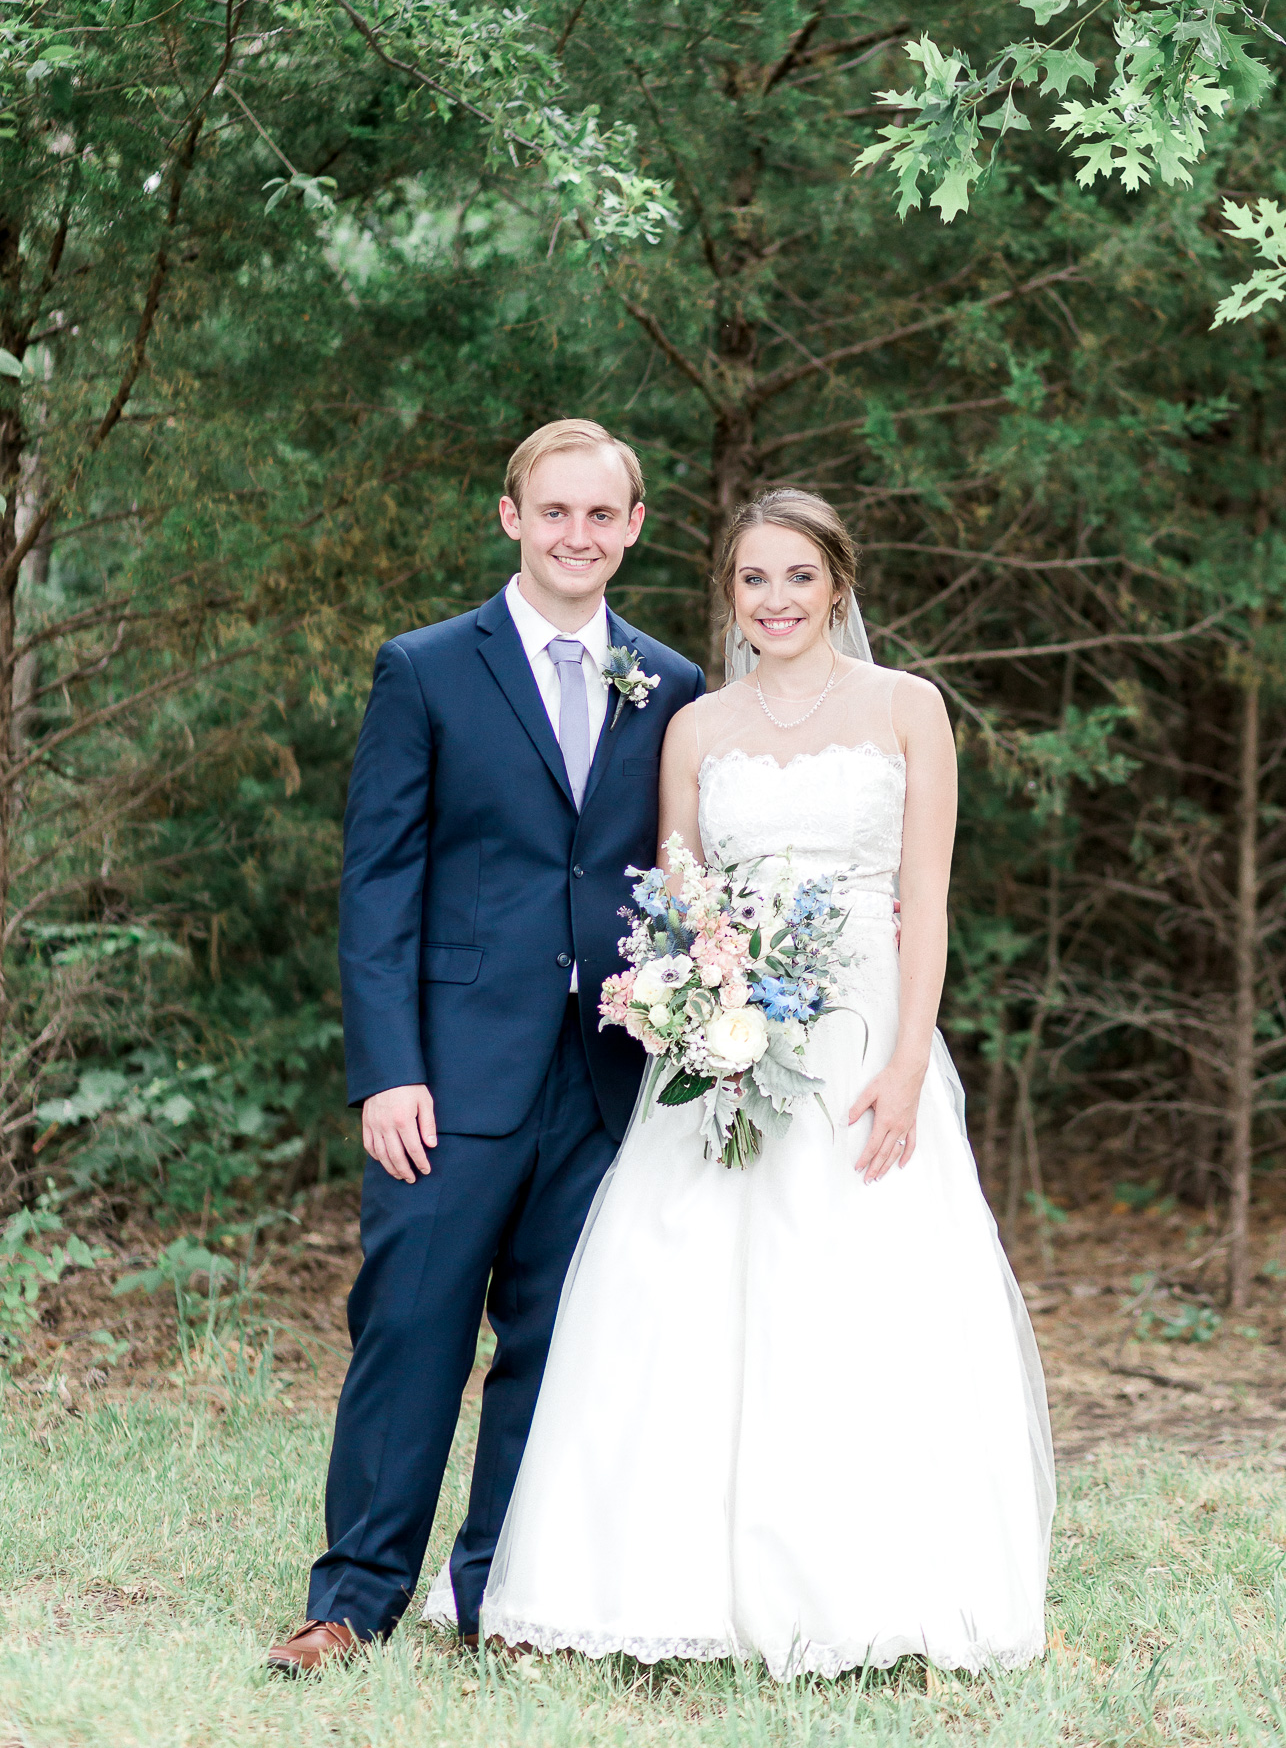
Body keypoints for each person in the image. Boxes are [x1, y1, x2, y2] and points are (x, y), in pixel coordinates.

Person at [437, 487, 1054, 1678]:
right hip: (721, 1046)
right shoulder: (696, 728)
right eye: (751, 580)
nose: (774, 601)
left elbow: (923, 901)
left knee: (860, 1298)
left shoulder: (907, 710)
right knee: (682, 1298)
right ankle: (661, 1584)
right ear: (729, 593)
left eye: (798, 578)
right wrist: (693, 1009)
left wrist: (905, 1058)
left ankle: (873, 1585)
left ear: (839, 585)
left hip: (864, 1037)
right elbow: (673, 897)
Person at [268, 419, 705, 1674]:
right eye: (552, 511)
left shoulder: (667, 686)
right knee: (409, 1329)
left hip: (605, 1072)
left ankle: (497, 1594)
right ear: (509, 516)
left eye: (601, 515)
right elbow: (378, 883)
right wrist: (386, 1069)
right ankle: (350, 1601)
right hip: (448, 1073)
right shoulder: (425, 670)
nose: (577, 535)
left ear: (633, 527)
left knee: (558, 1343)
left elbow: (678, 873)